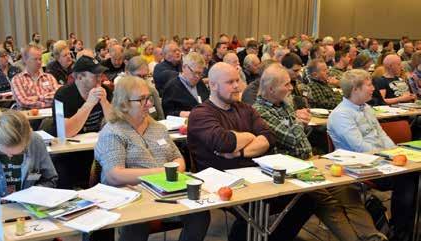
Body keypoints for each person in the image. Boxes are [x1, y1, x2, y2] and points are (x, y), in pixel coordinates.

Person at [253, 65, 387, 241]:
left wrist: (295, 119)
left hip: (309, 161)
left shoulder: (283, 105)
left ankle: (372, 236)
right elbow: (293, 139)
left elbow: (298, 137)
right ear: (271, 89)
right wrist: (297, 119)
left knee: (346, 190)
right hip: (289, 170)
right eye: (286, 85)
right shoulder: (259, 111)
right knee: (325, 199)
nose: (291, 88)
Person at [187, 62, 314, 241]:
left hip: (255, 174)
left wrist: (239, 152)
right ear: (213, 85)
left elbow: (268, 138)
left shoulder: (246, 109)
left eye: (237, 80)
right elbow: (224, 142)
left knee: (307, 199)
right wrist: (249, 136)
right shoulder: (201, 113)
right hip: (219, 181)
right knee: (255, 207)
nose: (237, 86)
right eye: (230, 82)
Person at [94, 76, 210, 241]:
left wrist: (169, 173)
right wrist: (162, 173)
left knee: (200, 214)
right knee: (138, 221)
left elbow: (178, 159)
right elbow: (114, 175)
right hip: (132, 196)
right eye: (142, 99)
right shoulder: (113, 132)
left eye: (149, 98)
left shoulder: (158, 128)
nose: (149, 104)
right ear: (124, 104)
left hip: (166, 191)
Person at [327, 69, 418, 241]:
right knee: (407, 179)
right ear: (355, 89)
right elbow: (360, 147)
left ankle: (405, 226)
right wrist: (389, 158)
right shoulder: (341, 115)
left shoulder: (366, 108)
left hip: (381, 159)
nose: (373, 88)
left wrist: (396, 153)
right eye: (369, 85)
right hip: (360, 165)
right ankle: (400, 232)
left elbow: (381, 134)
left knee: (413, 175)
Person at [52, 54, 112, 189]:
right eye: (95, 75)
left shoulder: (105, 91)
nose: (100, 79)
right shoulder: (63, 95)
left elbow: (115, 124)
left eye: (101, 75)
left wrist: (105, 102)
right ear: (79, 77)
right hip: (69, 153)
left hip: (96, 149)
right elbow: (66, 131)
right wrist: (88, 104)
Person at [161, 52, 209, 117]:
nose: (197, 77)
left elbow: (207, 101)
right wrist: (182, 113)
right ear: (184, 67)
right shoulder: (172, 87)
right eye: (195, 72)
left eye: (200, 74)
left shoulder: (200, 83)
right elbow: (167, 113)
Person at [11, 45, 60, 109]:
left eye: (40, 59)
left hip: (50, 115)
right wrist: (45, 102)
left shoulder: (49, 77)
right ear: (25, 60)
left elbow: (57, 97)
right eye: (35, 59)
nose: (39, 62)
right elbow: (23, 102)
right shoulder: (17, 80)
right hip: (29, 116)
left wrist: (38, 98)